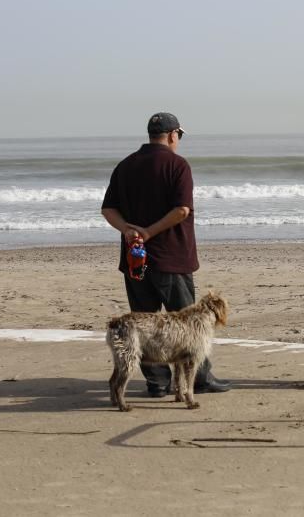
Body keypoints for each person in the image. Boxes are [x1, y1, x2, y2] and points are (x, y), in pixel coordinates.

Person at [101, 112, 231, 397]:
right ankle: (199, 379)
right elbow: (181, 210)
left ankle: (157, 382)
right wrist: (149, 232)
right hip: (172, 256)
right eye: (179, 136)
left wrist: (128, 230)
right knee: (189, 324)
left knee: (144, 321)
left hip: (136, 260)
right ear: (173, 135)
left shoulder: (125, 165)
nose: (178, 141)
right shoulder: (177, 165)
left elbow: (108, 209)